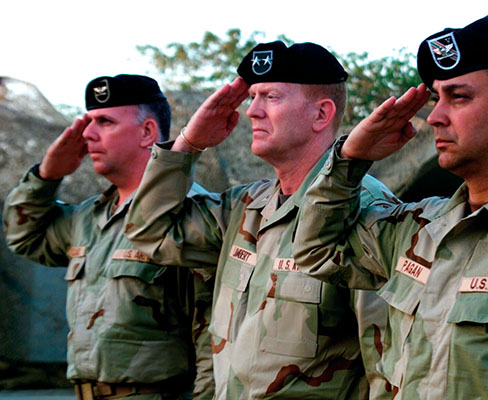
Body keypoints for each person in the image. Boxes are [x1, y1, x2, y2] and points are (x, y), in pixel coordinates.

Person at [292, 14, 488, 399]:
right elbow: (314, 250)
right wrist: (350, 158)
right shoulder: (420, 226)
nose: (434, 116)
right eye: (436, 98)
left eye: (459, 96)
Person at [124, 41, 401, 399]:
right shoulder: (246, 206)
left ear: (321, 114)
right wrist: (188, 143)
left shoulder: (364, 210)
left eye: (270, 96)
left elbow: (388, 369)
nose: (252, 111)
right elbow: (149, 233)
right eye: (251, 97)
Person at [3, 74, 214, 400]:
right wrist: (46, 175)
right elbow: (23, 236)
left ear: (147, 132)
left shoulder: (192, 215)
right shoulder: (88, 217)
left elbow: (212, 336)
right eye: (88, 121)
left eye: (104, 121)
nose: (87, 133)